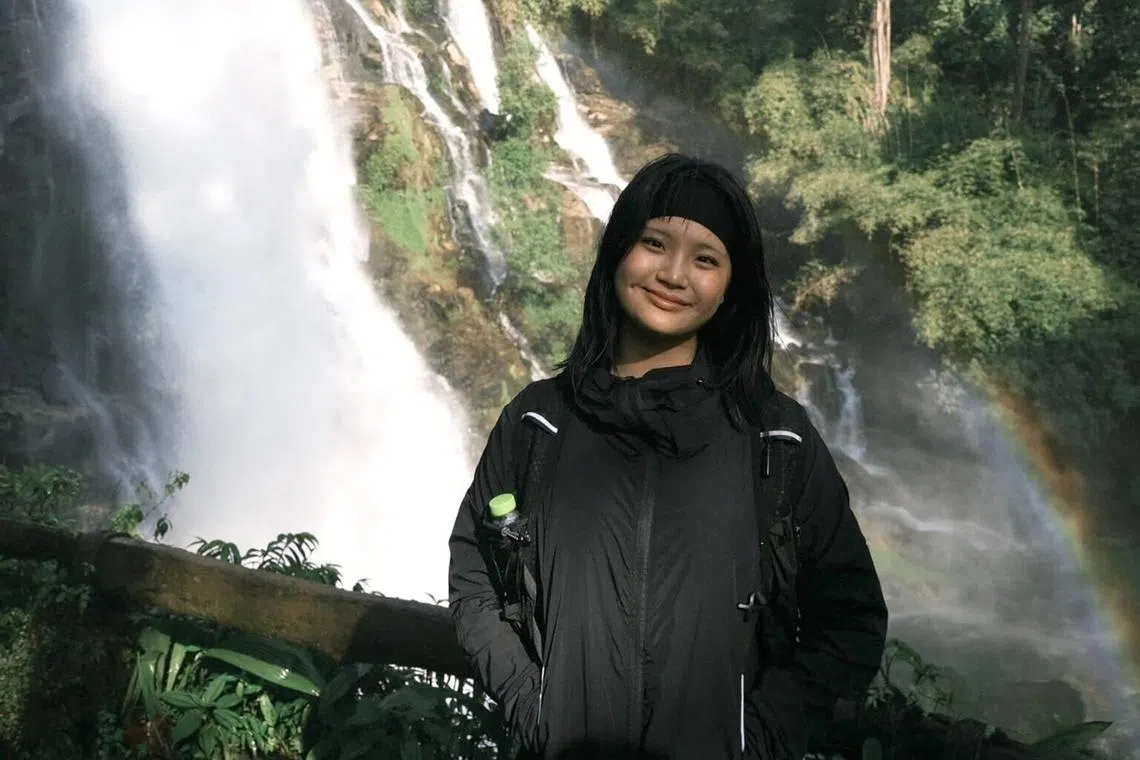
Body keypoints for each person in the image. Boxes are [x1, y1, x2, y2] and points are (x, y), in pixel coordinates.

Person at [448, 153, 888, 760]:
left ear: (731, 286)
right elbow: (474, 575)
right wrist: (533, 707)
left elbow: (850, 618)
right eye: (654, 244)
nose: (674, 275)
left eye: (705, 259)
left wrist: (755, 741)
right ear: (619, 250)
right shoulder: (539, 423)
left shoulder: (775, 439)